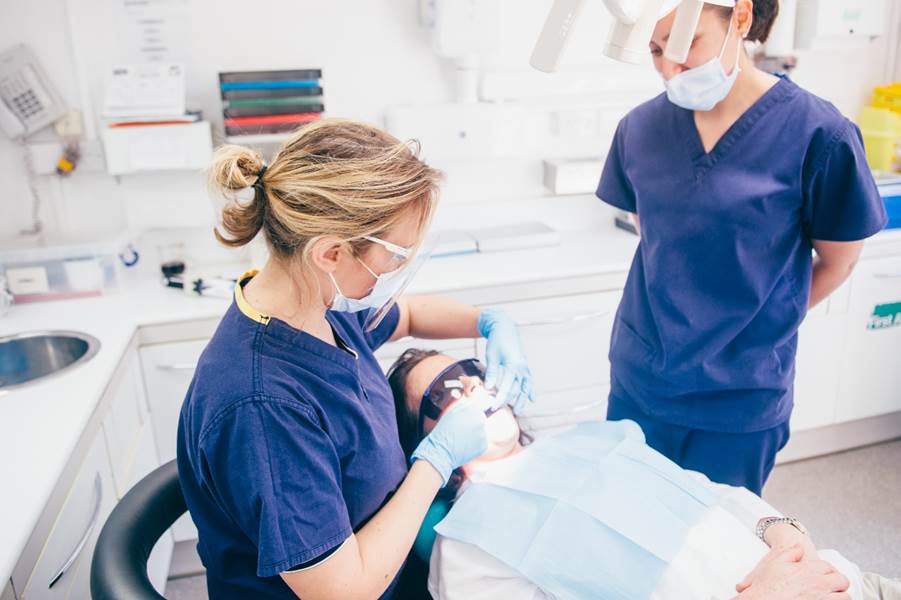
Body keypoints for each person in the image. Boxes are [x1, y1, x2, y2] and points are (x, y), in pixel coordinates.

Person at [176, 118, 535, 599]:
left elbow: (406, 314)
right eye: (393, 257)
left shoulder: (313, 303)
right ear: (330, 253)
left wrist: (488, 321)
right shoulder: (264, 406)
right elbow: (341, 592)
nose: (397, 272)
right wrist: (435, 461)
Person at [596, 0, 888, 495]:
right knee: (629, 535)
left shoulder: (820, 134)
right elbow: (658, 241)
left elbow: (840, 261)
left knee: (716, 553)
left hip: (738, 400)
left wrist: (756, 323)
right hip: (641, 383)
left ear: (741, 18)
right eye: (655, 49)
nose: (670, 68)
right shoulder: (639, 130)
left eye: (688, 43)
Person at [387, 349, 901, 600]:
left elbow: (711, 493)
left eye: (472, 371)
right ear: (425, 438)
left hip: (837, 578)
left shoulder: (592, 440)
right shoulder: (465, 549)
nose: (472, 389)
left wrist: (781, 530)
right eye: (444, 391)